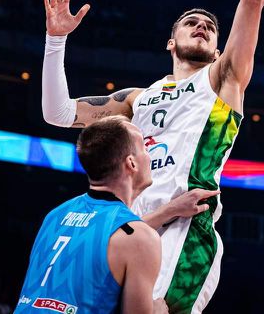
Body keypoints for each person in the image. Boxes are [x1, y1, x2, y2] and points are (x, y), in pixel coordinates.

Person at [41, 0, 264, 314]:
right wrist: (55, 40)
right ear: (170, 41)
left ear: (219, 46)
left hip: (186, 224)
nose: (202, 26)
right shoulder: (135, 99)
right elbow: (58, 114)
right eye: (191, 22)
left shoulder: (223, 79)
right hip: (129, 222)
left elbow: (252, 0)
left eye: (210, 27)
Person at [16, 116, 168, 314]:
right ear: (131, 163)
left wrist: (170, 210)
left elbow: (104, 237)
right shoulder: (139, 238)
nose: (150, 156)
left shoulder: (55, 215)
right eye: (145, 149)